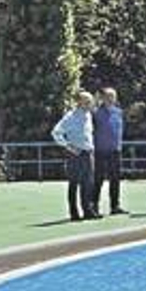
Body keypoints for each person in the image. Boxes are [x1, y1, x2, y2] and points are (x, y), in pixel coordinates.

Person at [51, 91, 99, 221]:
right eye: (87, 101)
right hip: (75, 154)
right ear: (79, 102)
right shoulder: (70, 117)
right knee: (74, 183)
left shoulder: (88, 115)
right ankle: (74, 213)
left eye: (91, 101)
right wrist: (68, 146)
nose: (90, 103)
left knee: (87, 183)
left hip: (88, 153)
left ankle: (87, 211)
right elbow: (56, 132)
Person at [92, 87, 126, 215]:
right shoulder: (95, 113)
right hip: (99, 151)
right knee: (98, 179)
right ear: (103, 98)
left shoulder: (118, 112)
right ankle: (94, 206)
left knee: (115, 179)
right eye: (108, 96)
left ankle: (115, 206)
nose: (110, 99)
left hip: (115, 151)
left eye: (113, 96)